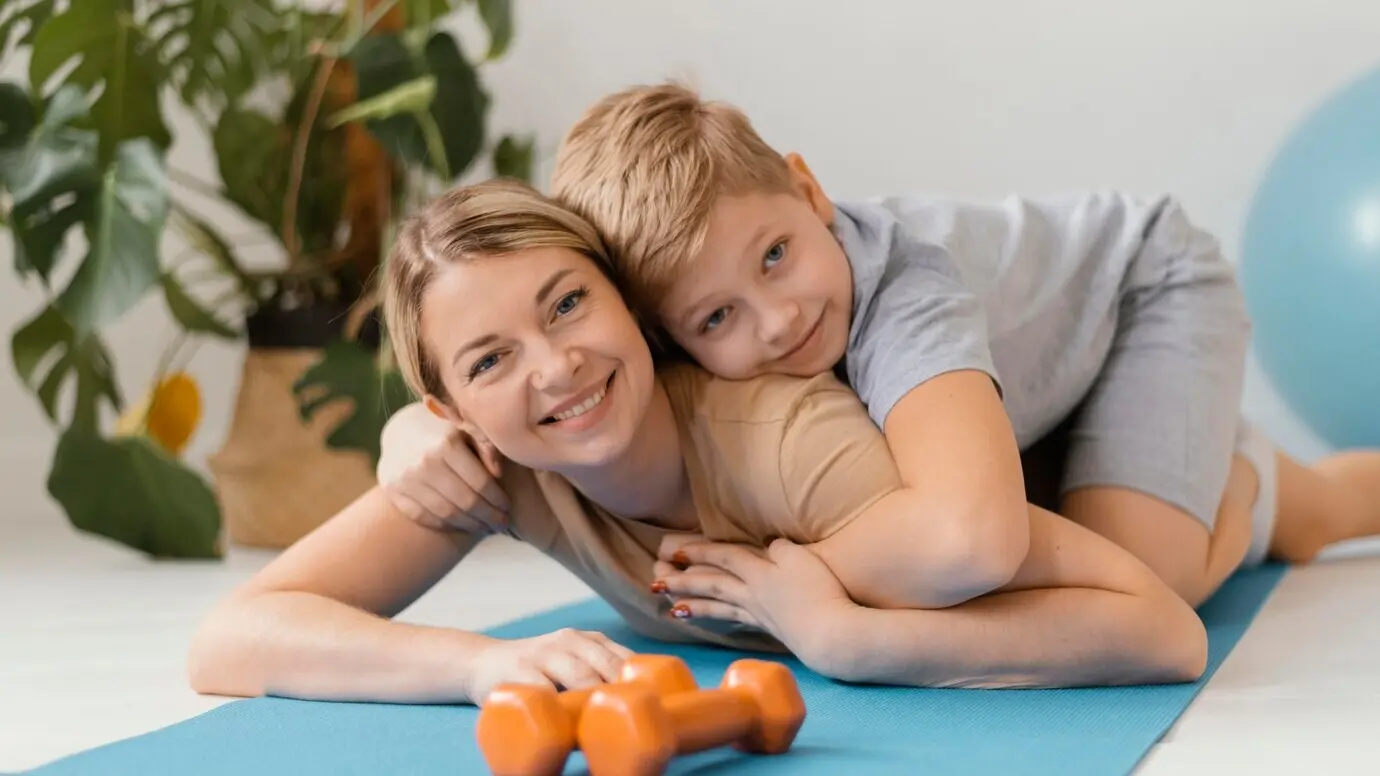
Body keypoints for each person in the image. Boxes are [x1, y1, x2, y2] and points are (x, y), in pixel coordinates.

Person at [187, 180, 1208, 708]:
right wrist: (479, 665)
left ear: (631, 303)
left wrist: (853, 640)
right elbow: (230, 639)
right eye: (489, 362)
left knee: (1180, 560)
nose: (555, 370)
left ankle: (1250, 481)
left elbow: (1160, 627)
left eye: (568, 305)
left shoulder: (787, 438)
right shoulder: (502, 464)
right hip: (985, 448)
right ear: (448, 407)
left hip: (1104, 312)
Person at [388, 82, 1380, 611]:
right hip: (1030, 383)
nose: (775, 319)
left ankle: (1252, 485)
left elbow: (969, 534)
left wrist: (795, 573)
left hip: (1142, 296)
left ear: (810, 189)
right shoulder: (668, 341)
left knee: (1136, 570)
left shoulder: (908, 290)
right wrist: (409, 426)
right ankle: (1256, 486)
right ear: (663, 333)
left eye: (776, 253)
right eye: (716, 319)